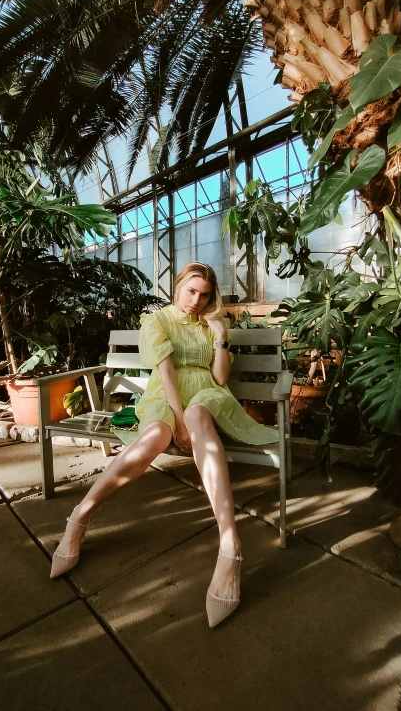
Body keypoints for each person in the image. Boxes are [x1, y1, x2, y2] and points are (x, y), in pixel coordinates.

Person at [50, 262, 279, 627]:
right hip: (166, 395)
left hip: (207, 395)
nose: (196, 301)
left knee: (197, 416)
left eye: (204, 294)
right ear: (178, 287)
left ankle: (230, 543)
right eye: (191, 291)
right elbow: (167, 372)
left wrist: (220, 336)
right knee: (157, 434)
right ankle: (80, 515)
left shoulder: (211, 324)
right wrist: (176, 418)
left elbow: (220, 377)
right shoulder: (156, 321)